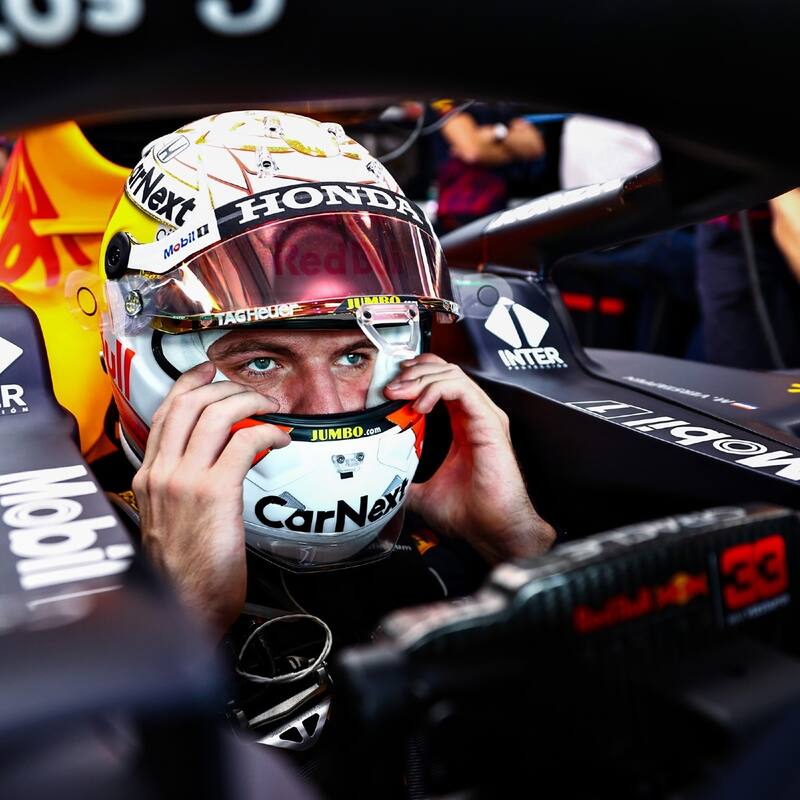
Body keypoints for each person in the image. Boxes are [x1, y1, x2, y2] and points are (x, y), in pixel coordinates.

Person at [95, 110, 555, 766]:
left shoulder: (447, 547)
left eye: (353, 355)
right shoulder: (54, 568)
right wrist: (183, 622)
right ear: (137, 359)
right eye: (261, 361)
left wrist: (518, 550)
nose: (329, 406)